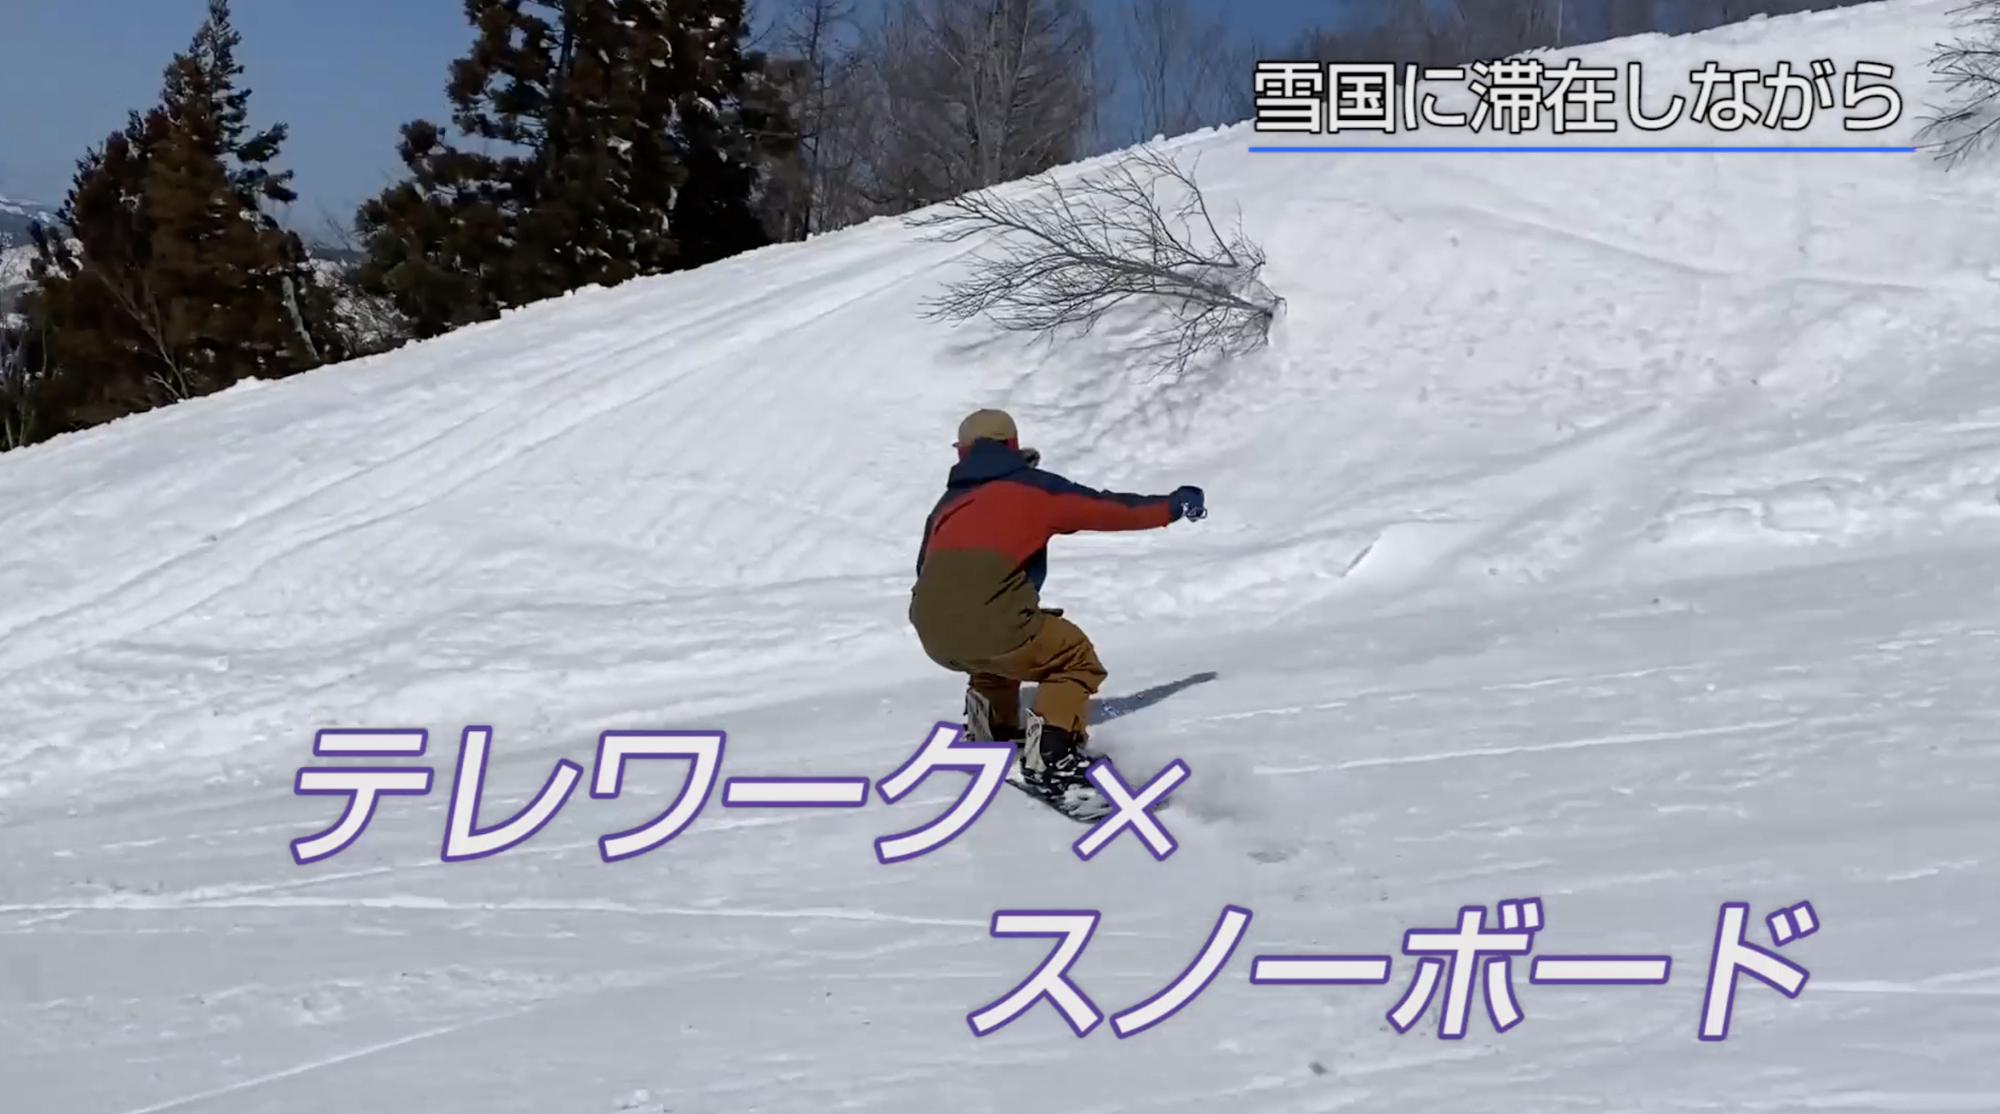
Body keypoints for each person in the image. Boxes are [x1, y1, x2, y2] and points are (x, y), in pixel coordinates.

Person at [908, 408, 1206, 806]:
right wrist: (1173, 506)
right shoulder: (1032, 489)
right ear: (1011, 445)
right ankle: (1051, 761)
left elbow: (925, 569)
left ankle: (990, 732)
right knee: (1074, 658)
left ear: (962, 453)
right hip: (991, 623)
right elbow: (1111, 509)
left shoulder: (947, 504)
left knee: (992, 651)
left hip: (933, 631)